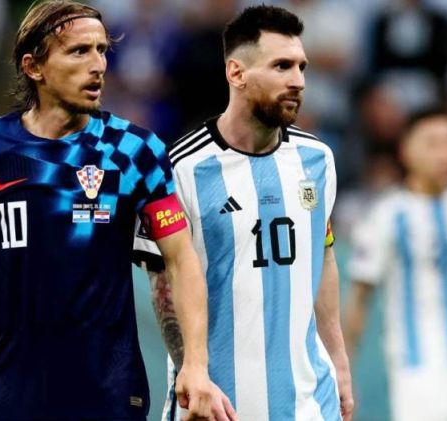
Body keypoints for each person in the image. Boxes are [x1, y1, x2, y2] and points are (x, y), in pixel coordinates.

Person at [0, 1, 214, 420]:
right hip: (15, 391)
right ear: (33, 67)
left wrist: (195, 365)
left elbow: (180, 258)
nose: (98, 65)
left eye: (102, 50)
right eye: (79, 51)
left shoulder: (133, 150)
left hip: (110, 391)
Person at [133, 5, 353, 421]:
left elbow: (322, 258)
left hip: (310, 402)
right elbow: (164, 286)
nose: (298, 80)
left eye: (301, 67)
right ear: (236, 73)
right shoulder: (181, 169)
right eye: (282, 66)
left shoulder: (317, 159)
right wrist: (191, 372)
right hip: (219, 404)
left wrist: (339, 363)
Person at [345, 108, 447, 421]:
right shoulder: (386, 215)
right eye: (433, 143)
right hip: (417, 373)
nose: (445, 154)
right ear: (406, 151)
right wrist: (344, 373)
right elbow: (359, 302)